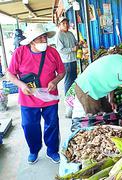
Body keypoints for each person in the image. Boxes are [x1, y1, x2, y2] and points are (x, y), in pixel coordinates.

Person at [7, 24, 65, 164]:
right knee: (29, 125)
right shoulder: (20, 52)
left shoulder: (52, 52)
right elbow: (10, 74)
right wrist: (21, 85)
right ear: (31, 41)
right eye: (40, 38)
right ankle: (34, 150)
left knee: (52, 125)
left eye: (45, 37)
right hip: (28, 98)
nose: (44, 40)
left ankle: (52, 150)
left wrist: (55, 81)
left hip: (49, 96)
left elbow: (62, 72)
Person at [56, 17, 78, 95]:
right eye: (63, 24)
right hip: (66, 62)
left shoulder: (70, 33)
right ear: (59, 25)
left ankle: (73, 96)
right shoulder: (59, 35)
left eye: (67, 23)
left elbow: (75, 43)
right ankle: (67, 97)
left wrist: (78, 44)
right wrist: (72, 49)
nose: (66, 25)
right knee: (68, 81)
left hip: (74, 59)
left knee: (74, 79)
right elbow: (60, 50)